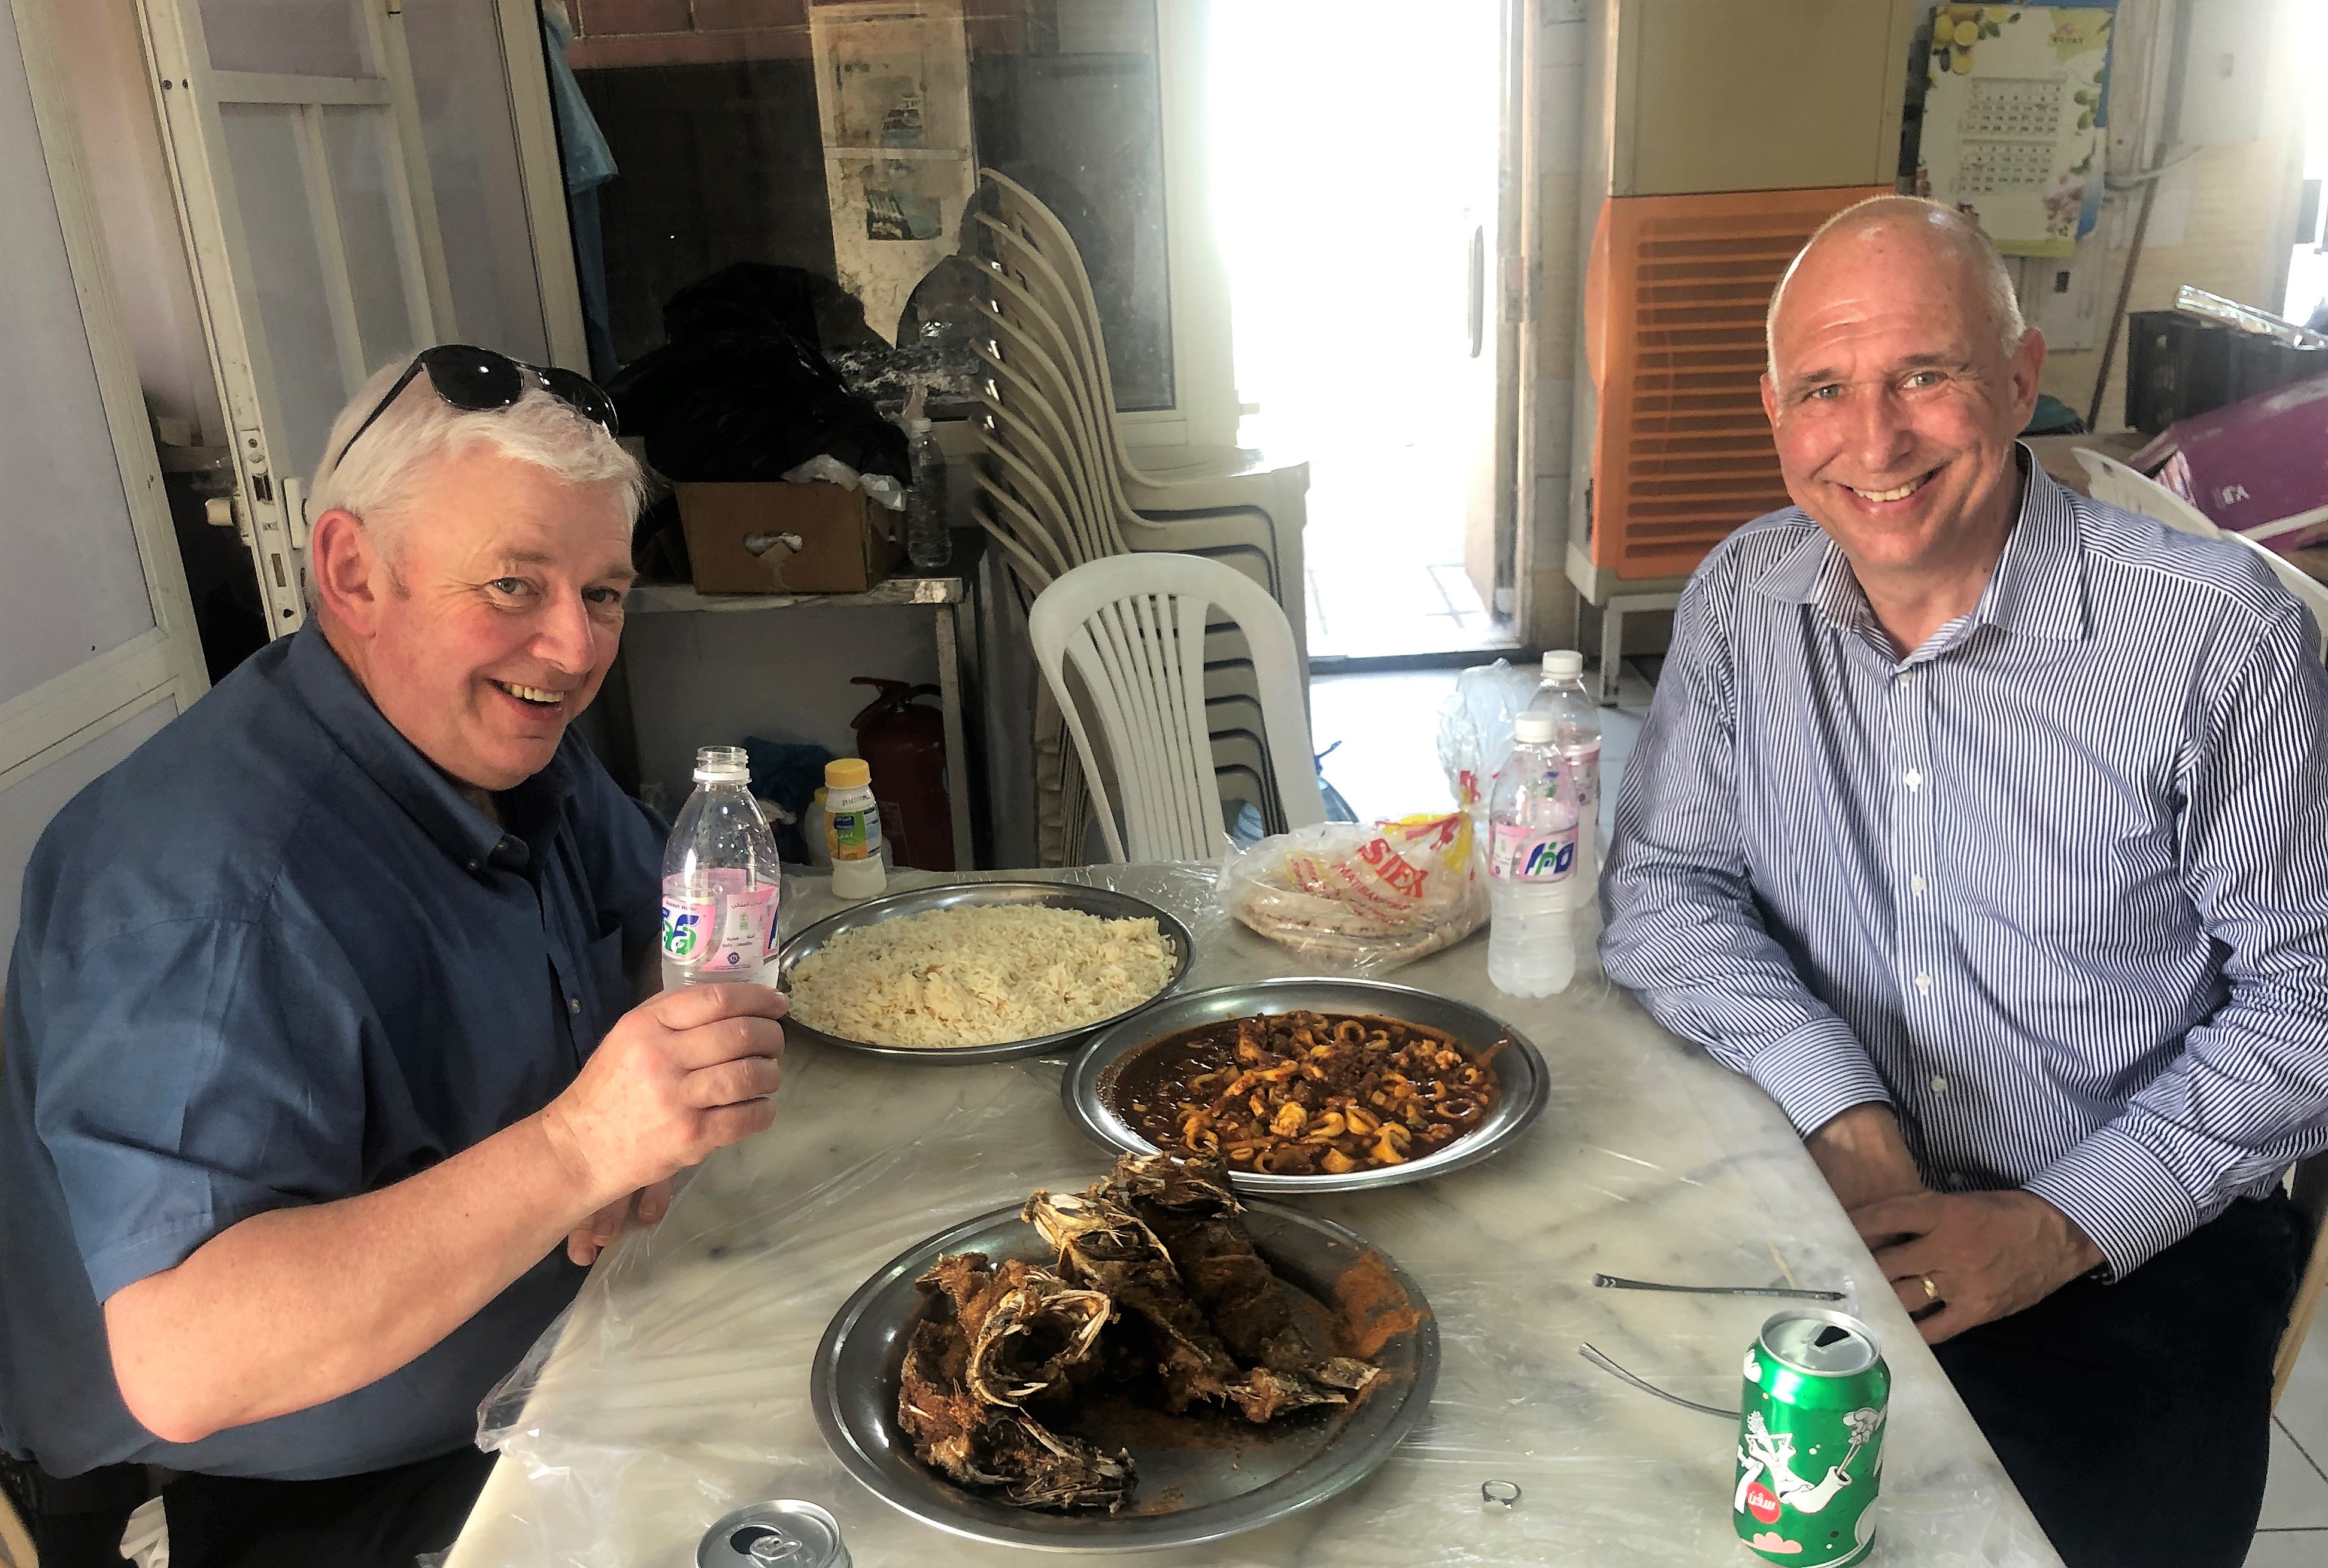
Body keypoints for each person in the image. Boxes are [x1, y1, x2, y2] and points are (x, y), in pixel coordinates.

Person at [1600, 197, 2328, 1568]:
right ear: (1775, 409)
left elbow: (2307, 1004)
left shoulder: (2217, 634)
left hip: (2133, 1235)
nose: (1872, 443)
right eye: (1825, 388)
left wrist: (2058, 1228)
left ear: (2018, 375)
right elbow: (1669, 888)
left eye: (1922, 376)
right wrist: (1842, 1102)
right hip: (1813, 1180)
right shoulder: (1741, 597)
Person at [0, 348, 788, 1568]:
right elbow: (185, 1358)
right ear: (352, 572)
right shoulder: (209, 891)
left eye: (606, 592)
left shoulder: (503, 733)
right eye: (515, 584)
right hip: (280, 1485)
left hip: (561, 1347)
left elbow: (651, 934)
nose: (575, 650)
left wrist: (646, 1118)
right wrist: (579, 1148)